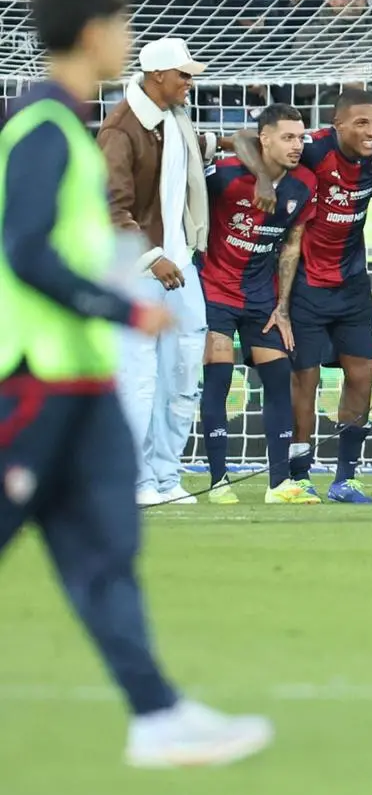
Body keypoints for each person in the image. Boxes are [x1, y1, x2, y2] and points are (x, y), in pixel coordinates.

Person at [0, 0, 273, 767]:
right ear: (94, 35)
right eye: (121, 25)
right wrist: (124, 306)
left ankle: (157, 715)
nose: (127, 37)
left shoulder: (72, 120)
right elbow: (24, 252)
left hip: (81, 383)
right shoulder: (44, 125)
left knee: (108, 551)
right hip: (37, 377)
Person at [100, 36, 210, 507]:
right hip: (140, 271)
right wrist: (153, 257)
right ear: (158, 75)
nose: (190, 83)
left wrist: (237, 144)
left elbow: (195, 152)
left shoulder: (174, 119)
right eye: (184, 75)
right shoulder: (120, 129)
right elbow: (109, 205)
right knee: (138, 378)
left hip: (181, 264)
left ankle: (167, 476)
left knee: (183, 374)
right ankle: (135, 479)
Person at [194, 106, 318, 506]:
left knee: (279, 378)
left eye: (300, 138)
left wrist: (282, 306)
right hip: (214, 291)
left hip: (261, 298)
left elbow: (292, 246)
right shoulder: (227, 176)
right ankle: (218, 482)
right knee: (219, 379)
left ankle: (278, 484)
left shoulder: (303, 185)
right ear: (264, 139)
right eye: (287, 137)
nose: (297, 145)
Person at [287, 88, 372, 503]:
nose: (371, 130)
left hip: (353, 285)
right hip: (306, 285)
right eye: (360, 123)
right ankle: (298, 476)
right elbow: (253, 140)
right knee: (306, 379)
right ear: (336, 125)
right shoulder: (313, 151)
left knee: (362, 375)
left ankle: (345, 478)